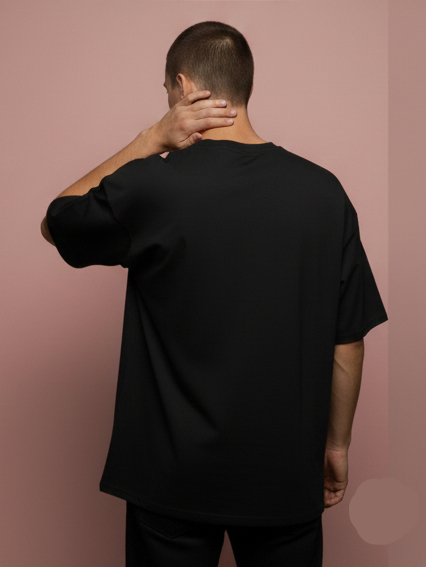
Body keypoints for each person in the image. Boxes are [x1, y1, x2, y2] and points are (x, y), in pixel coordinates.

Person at [41, 20, 388, 567]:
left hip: (170, 474)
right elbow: (347, 342)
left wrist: (149, 140)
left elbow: (56, 222)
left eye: (166, 91)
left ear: (183, 87)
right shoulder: (324, 193)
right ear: (245, 85)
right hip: (282, 474)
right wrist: (336, 446)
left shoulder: (153, 184)